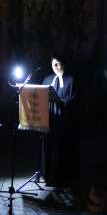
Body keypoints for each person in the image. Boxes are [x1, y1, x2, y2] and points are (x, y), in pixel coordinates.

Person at [42, 54, 76, 187]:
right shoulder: (47, 79)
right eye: (53, 64)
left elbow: (73, 99)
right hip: (48, 119)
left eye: (58, 64)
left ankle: (60, 177)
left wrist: (61, 102)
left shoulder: (71, 80)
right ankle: (47, 175)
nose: (56, 67)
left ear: (63, 64)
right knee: (47, 147)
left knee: (60, 149)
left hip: (63, 120)